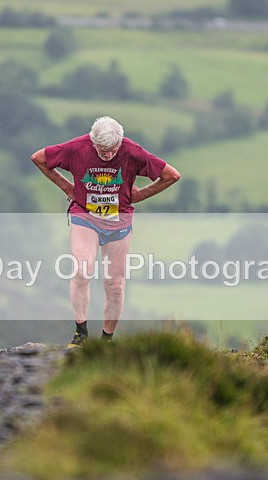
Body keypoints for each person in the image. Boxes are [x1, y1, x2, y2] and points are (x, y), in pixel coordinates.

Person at [31, 116, 180, 347]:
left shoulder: (132, 151)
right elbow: (39, 158)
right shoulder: (77, 148)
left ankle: (106, 341)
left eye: (112, 150)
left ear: (120, 143)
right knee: (82, 271)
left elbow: (171, 175)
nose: (108, 154)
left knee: (115, 284)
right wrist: (67, 187)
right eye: (102, 150)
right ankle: (80, 334)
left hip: (118, 222)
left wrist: (140, 195)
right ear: (93, 142)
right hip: (85, 216)